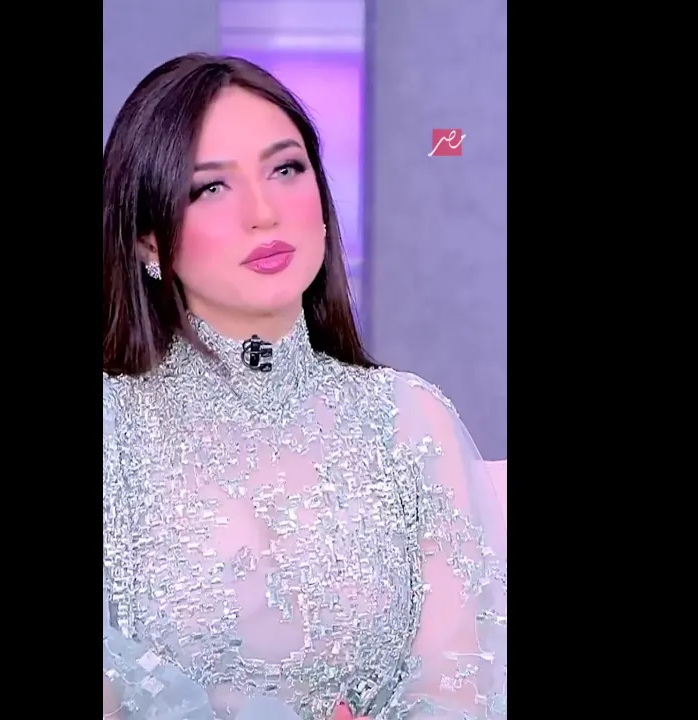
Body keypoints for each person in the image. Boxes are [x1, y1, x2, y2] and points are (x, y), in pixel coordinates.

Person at [102, 53, 507, 720]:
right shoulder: (114, 429)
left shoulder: (408, 421)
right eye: (211, 187)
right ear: (148, 240)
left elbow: (461, 684)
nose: (264, 212)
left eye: (286, 169)